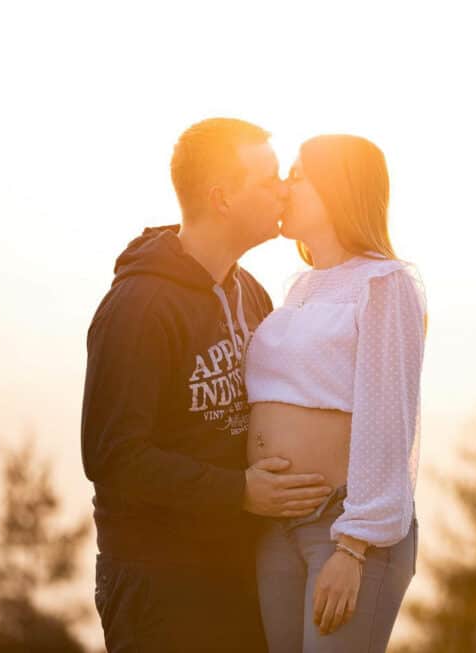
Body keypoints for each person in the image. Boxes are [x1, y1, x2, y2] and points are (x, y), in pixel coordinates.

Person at [81, 118, 334, 652]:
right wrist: (239, 491)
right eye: (268, 179)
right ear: (222, 197)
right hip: (162, 584)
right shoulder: (138, 308)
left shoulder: (253, 295)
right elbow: (113, 457)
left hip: (243, 571)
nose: (283, 189)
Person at [245, 134, 428, 652]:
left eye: (299, 175)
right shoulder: (300, 287)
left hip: (342, 526)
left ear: (337, 189)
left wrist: (354, 546)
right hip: (277, 526)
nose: (285, 186)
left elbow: (387, 417)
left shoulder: (384, 283)